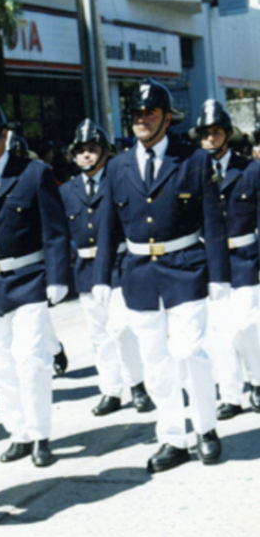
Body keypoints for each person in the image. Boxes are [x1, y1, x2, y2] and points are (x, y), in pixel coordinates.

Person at [92, 78, 231, 473]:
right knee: (155, 362)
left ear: (167, 119)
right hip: (138, 274)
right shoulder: (117, 166)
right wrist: (102, 276)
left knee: (190, 353)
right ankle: (172, 437)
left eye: (150, 114)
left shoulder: (194, 160)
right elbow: (108, 225)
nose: (141, 120)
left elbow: (213, 222)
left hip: (185, 268)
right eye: (136, 114)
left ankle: (205, 429)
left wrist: (219, 276)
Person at [0, 98, 71, 468]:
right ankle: (17, 432)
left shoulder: (33, 173)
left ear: (4, 135)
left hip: (28, 279)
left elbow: (55, 231)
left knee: (30, 360)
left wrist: (57, 277)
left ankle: (40, 435)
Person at [60, 119, 151, 416]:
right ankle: (111, 390)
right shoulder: (67, 191)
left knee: (122, 328)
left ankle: (137, 384)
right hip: (86, 269)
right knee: (99, 334)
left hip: (119, 264)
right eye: (81, 150)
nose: (86, 155)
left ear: (106, 152)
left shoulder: (120, 180)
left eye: (93, 149)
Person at [195, 100, 260, 419]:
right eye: (205, 134)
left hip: (246, 257)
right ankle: (230, 395)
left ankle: (258, 380)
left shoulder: (251, 169)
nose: (210, 139)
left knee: (248, 325)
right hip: (210, 262)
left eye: (216, 132)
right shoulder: (192, 173)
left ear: (227, 134)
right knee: (219, 333)